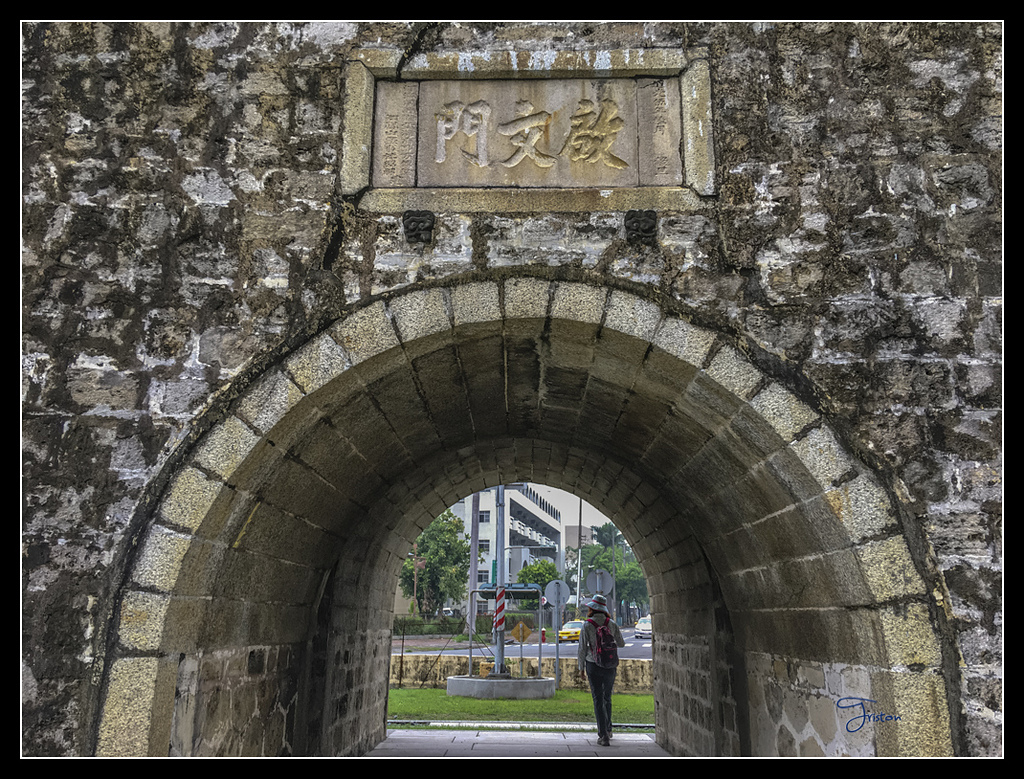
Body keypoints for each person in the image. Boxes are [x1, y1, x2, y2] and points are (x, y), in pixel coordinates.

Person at [577, 594, 625, 746]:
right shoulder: (611, 624)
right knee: (607, 697)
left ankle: (602, 734)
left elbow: (582, 649)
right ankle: (609, 729)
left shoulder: (587, 625)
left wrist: (581, 668)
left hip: (593, 664)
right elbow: (622, 643)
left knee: (597, 699)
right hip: (610, 665)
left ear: (592, 608)